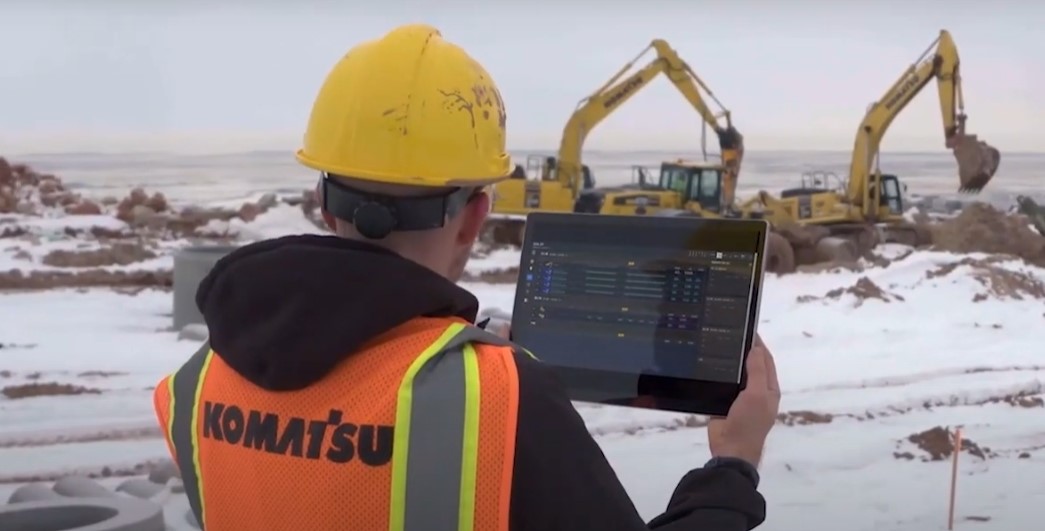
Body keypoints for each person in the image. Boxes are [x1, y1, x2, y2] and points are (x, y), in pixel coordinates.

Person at [152, 23, 780, 531]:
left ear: (323, 197)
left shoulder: (193, 385)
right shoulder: (502, 401)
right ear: (476, 215)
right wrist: (732, 464)